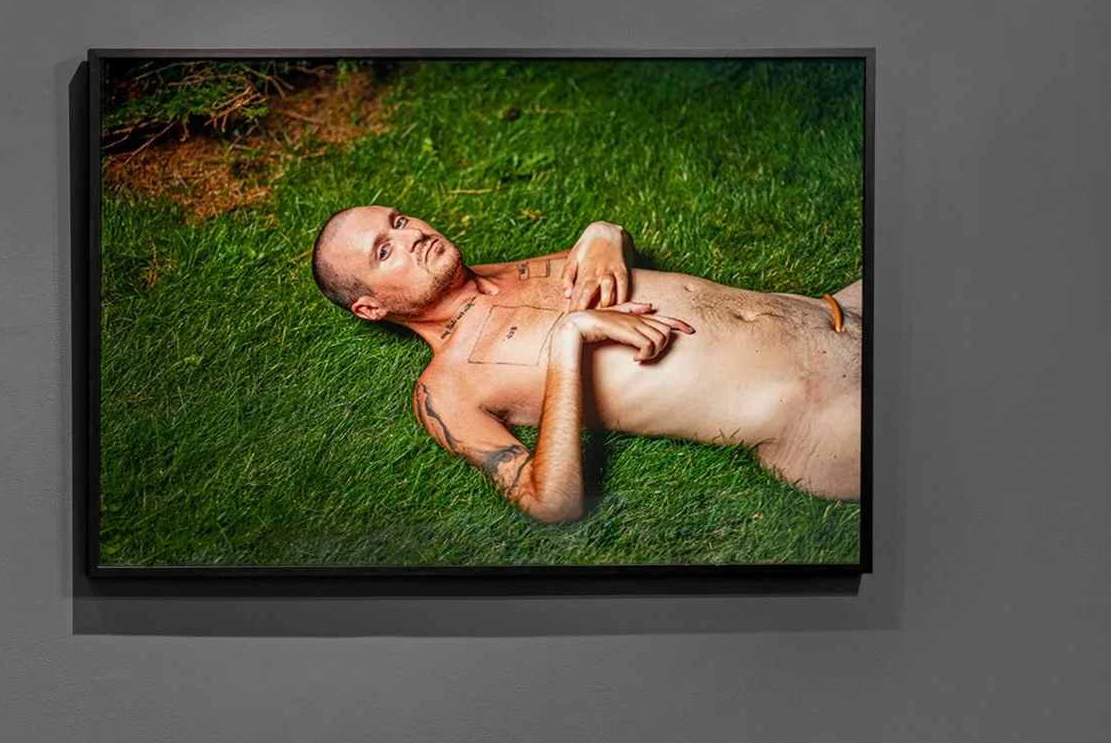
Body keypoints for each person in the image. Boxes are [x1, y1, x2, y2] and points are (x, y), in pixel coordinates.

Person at [310, 207, 862, 521]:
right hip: (817, 416)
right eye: (385, 251)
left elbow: (599, 253)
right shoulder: (445, 391)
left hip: (836, 308)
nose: (413, 237)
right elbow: (549, 503)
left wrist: (602, 234)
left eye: (400, 221)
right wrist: (569, 339)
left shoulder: (498, 276)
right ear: (370, 307)